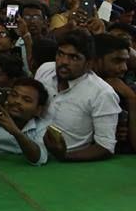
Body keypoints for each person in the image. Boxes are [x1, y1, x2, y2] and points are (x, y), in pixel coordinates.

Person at [35, 29, 121, 161]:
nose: (63, 61)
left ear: (89, 64)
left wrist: (65, 157)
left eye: (73, 57)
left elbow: (105, 147)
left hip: (67, 162)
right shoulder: (45, 70)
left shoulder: (102, 93)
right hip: (28, 151)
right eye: (60, 54)